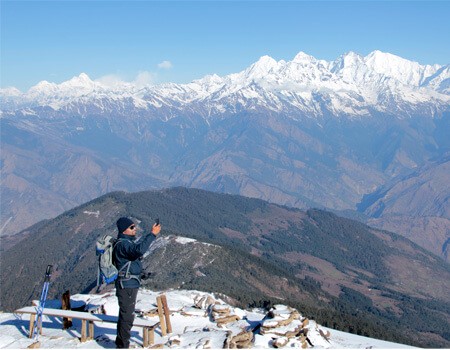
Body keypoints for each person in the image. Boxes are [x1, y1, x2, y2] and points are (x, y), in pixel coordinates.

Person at [113, 217, 161, 348]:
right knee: (127, 317)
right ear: (124, 230)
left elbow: (131, 260)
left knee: (125, 314)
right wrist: (152, 234)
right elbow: (139, 250)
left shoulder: (126, 243)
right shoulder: (123, 244)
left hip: (129, 283)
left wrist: (142, 274)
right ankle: (123, 345)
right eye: (132, 227)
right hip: (126, 285)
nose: (135, 229)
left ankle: (120, 342)